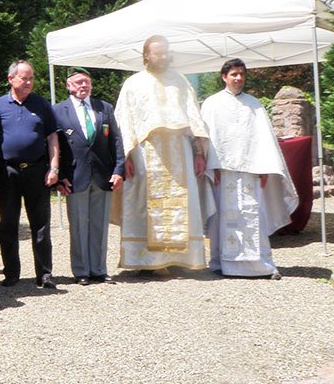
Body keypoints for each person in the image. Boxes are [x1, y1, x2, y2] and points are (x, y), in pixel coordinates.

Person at [113, 35, 214, 272]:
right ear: (146, 55)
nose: (163, 56)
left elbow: (194, 118)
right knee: (143, 205)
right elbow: (124, 122)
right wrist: (124, 158)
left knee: (183, 206)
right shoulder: (133, 83)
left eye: (166, 52)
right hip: (146, 153)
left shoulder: (180, 80)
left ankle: (180, 259)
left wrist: (199, 153)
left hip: (179, 151)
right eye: (158, 53)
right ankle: (146, 263)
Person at [201, 58, 298, 278]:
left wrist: (264, 169)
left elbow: (263, 140)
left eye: (242, 74)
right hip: (222, 172)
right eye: (234, 74)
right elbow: (207, 138)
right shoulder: (211, 104)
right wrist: (210, 166)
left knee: (254, 216)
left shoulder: (254, 105)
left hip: (250, 171)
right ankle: (220, 264)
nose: (238, 78)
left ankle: (260, 265)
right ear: (224, 77)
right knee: (221, 217)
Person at [0, 61, 60, 289]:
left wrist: (54, 167)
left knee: (40, 225)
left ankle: (45, 275)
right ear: (11, 79)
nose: (28, 82)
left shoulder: (42, 104)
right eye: (23, 78)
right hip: (8, 171)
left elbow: (52, 138)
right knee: (8, 224)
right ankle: (11, 273)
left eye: (31, 78)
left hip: (37, 170)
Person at [52, 67, 125, 284]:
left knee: (99, 225)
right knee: (78, 225)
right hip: (74, 176)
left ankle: (99, 269)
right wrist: (60, 176)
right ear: (68, 85)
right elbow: (55, 147)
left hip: (103, 175)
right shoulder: (58, 110)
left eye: (86, 82)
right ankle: (82, 271)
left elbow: (116, 141)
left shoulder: (104, 108)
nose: (83, 86)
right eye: (78, 82)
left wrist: (119, 169)